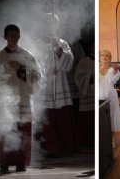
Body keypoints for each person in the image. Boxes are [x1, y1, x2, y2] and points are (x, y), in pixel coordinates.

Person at [0, 24, 41, 174]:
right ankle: (4, 163)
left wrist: (21, 70)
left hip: (22, 100)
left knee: (22, 132)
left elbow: (37, 77)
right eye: (11, 35)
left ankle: (21, 163)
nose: (14, 38)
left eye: (17, 35)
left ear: (19, 37)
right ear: (5, 37)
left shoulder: (28, 56)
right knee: (3, 131)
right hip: (4, 102)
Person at [35, 13, 77, 155]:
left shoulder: (62, 43)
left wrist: (58, 49)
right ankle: (47, 149)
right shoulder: (38, 43)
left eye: (53, 23)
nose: (50, 26)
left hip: (60, 82)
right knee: (46, 116)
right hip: (45, 83)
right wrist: (46, 70)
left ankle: (64, 147)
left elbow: (69, 63)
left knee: (61, 116)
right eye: (47, 23)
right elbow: (33, 63)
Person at [99, 50, 120, 149]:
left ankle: (111, 139)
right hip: (99, 96)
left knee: (111, 118)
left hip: (111, 97)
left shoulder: (113, 70)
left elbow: (114, 78)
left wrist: (116, 71)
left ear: (110, 59)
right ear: (99, 57)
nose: (104, 57)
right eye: (102, 55)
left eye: (107, 56)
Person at [74, 42, 95, 149]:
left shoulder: (101, 62)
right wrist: (89, 78)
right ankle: (84, 142)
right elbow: (78, 77)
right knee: (86, 119)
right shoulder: (84, 61)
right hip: (87, 92)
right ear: (90, 48)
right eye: (94, 46)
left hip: (98, 93)